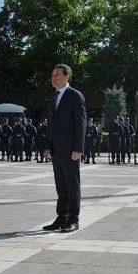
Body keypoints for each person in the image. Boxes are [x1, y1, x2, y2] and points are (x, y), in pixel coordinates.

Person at [43, 64, 87, 233]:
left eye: (57, 75)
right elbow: (51, 125)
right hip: (56, 149)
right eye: (52, 75)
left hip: (70, 150)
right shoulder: (54, 96)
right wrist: (48, 147)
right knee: (61, 186)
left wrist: (78, 148)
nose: (53, 78)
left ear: (67, 76)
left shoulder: (74, 95)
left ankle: (73, 219)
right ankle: (62, 216)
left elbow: (81, 123)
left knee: (72, 185)